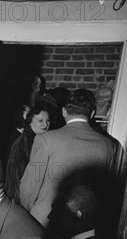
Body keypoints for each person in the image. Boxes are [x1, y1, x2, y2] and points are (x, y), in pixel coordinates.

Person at [19, 89, 117, 228]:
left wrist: (27, 211)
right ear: (93, 113)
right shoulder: (109, 145)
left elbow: (30, 184)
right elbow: (106, 191)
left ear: (64, 111)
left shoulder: (46, 139)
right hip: (86, 224)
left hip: (46, 221)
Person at [4, 105, 50, 203]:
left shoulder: (34, 139)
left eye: (48, 121)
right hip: (22, 199)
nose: (45, 124)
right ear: (30, 123)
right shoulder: (26, 141)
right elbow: (18, 175)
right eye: (40, 121)